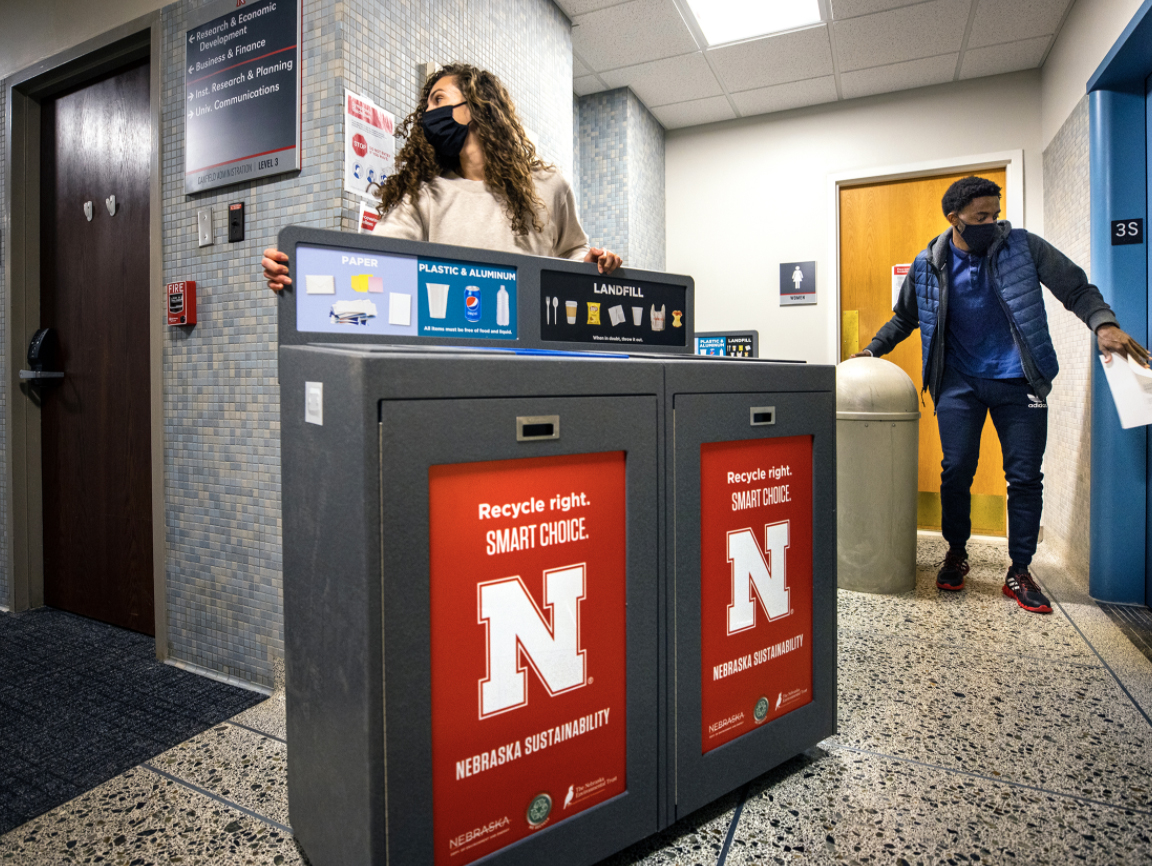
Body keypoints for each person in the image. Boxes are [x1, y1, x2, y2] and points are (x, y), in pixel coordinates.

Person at [855, 175, 1149, 614]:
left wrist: (1103, 324)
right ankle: (956, 553)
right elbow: (904, 318)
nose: (992, 222)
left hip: (1020, 380)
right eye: (981, 217)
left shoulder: (1024, 248)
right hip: (958, 383)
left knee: (1025, 477)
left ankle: (1020, 570)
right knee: (955, 471)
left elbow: (1076, 288)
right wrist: (870, 351)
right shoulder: (928, 263)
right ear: (954, 219)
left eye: (995, 213)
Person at [263, 63, 620, 290]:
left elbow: (573, 250)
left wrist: (593, 263)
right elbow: (374, 259)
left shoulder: (548, 185)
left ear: (477, 106)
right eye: (427, 106)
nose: (426, 116)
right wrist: (299, 268)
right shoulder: (424, 195)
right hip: (451, 355)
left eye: (438, 100)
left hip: (531, 352)